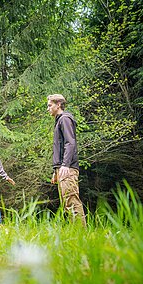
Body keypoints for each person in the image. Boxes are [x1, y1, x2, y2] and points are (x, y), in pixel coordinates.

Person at [47, 94, 86, 227]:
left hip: (68, 168)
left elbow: (70, 143)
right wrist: (56, 170)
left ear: (58, 105)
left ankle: (82, 236)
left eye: (50, 105)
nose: (48, 108)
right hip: (62, 168)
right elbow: (60, 147)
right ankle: (76, 235)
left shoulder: (65, 119)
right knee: (66, 204)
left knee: (72, 202)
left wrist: (65, 165)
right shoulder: (59, 121)